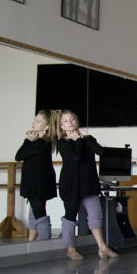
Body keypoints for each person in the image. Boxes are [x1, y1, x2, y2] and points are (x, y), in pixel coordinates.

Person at [54, 109, 118, 260]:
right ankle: (70, 249)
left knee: (96, 215)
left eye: (72, 119)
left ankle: (102, 247)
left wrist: (83, 139)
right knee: (70, 216)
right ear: (61, 126)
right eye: (66, 121)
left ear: (77, 122)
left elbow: (100, 151)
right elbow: (76, 157)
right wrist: (78, 141)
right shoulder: (62, 142)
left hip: (88, 183)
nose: (70, 122)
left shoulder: (88, 138)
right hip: (70, 185)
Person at [14, 110, 57, 241]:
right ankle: (32, 240)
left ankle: (45, 242)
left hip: (37, 185)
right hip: (38, 183)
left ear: (47, 126)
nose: (34, 123)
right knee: (35, 211)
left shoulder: (40, 143)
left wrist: (27, 140)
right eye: (34, 120)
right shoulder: (42, 142)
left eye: (38, 121)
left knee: (39, 213)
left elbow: (18, 156)